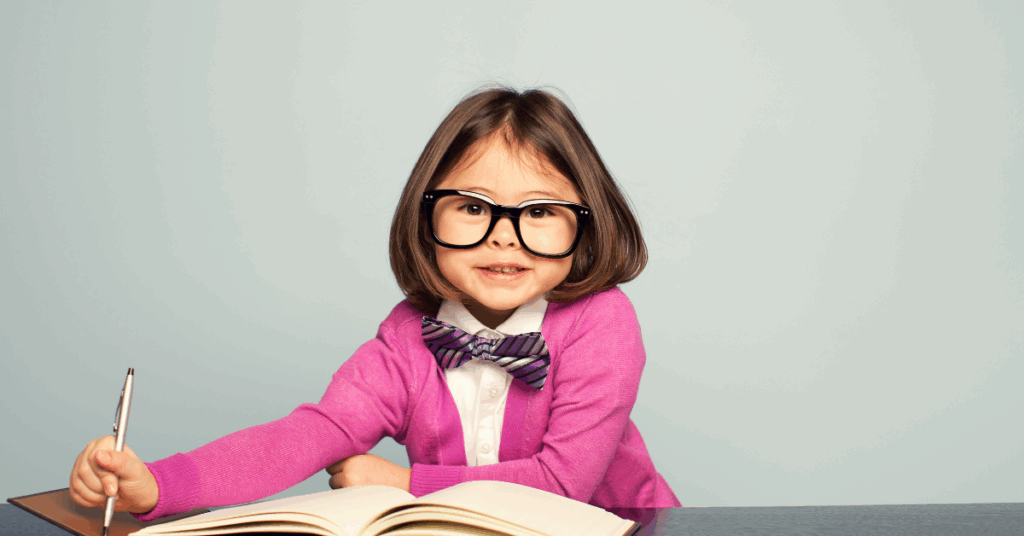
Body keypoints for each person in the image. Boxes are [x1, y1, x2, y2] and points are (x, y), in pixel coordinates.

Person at [68, 87, 681, 519]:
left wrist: (405, 484)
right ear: (425, 215)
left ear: (587, 223)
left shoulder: (603, 323)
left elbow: (562, 485)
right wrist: (158, 485)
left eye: (540, 212)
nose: (502, 234)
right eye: (472, 206)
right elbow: (313, 434)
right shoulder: (409, 335)